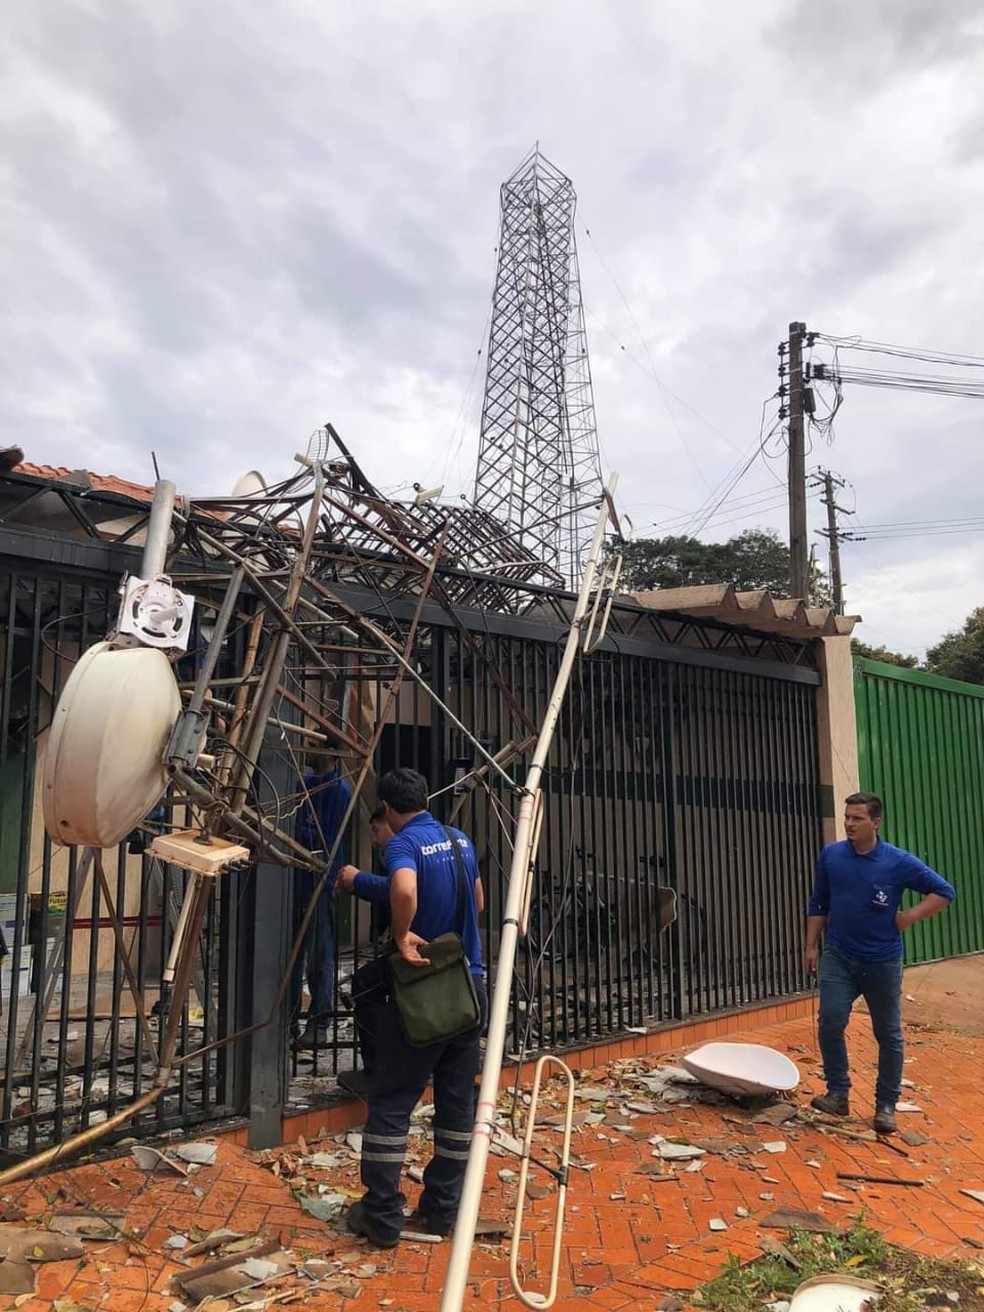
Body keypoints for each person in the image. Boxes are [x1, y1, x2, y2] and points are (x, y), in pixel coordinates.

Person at [344, 767, 486, 1249]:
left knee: (391, 1101)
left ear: (387, 807)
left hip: (426, 993)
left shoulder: (400, 844)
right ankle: (442, 1210)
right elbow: (480, 902)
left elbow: (403, 888)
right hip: (470, 988)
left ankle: (381, 1215)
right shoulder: (459, 839)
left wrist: (403, 934)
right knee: (456, 1104)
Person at [805, 792, 954, 1134]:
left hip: (882, 961)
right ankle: (838, 1093)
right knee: (829, 1020)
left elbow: (943, 891)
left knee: (887, 1033)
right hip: (839, 956)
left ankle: (886, 1105)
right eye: (847, 817)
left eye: (857, 818)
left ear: (876, 822)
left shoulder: (897, 862)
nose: (849, 824)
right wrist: (811, 945)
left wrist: (909, 917)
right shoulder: (832, 856)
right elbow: (819, 901)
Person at [290, 756, 353, 1049]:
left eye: (313, 747)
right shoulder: (305, 783)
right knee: (291, 956)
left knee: (319, 955)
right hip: (296, 876)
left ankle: (319, 1022)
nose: (306, 753)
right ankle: (288, 1019)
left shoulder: (338, 790)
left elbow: (331, 839)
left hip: (320, 877)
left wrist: (294, 833)